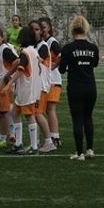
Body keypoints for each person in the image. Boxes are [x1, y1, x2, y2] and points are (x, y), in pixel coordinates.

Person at [58, 16, 100, 160]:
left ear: (72, 30)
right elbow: (94, 64)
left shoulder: (68, 48)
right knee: (88, 117)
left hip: (75, 87)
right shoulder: (93, 48)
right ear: (85, 29)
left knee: (77, 119)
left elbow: (61, 69)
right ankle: (90, 149)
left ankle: (79, 152)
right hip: (90, 87)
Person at [9, 26, 51, 156]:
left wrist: (9, 83)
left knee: (29, 115)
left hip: (27, 88)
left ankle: (34, 146)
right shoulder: (33, 51)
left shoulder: (26, 52)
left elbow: (20, 70)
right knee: (15, 112)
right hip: (29, 87)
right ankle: (18, 144)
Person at [41, 17, 64, 150]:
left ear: (49, 28)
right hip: (47, 81)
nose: (41, 30)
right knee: (46, 110)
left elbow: (61, 55)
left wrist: (54, 66)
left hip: (54, 80)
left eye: (43, 27)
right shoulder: (43, 42)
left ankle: (55, 137)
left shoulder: (52, 42)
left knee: (50, 109)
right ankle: (51, 137)